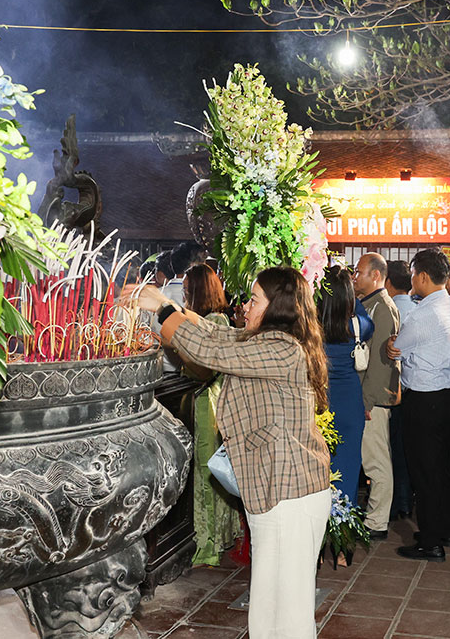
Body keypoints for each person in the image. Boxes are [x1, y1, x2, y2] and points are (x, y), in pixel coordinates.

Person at [131, 267, 330, 638]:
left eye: (254, 301)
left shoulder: (283, 348)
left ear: (278, 307)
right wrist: (176, 308)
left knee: (289, 611)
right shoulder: (265, 340)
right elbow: (218, 334)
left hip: (291, 493)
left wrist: (163, 310)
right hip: (276, 490)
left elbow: (211, 350)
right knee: (267, 604)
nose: (245, 308)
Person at [386, 248, 450, 562]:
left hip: (424, 399)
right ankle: (444, 530)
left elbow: (397, 348)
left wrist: (392, 345)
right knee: (441, 468)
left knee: (424, 472)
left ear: (421, 276)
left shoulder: (421, 314)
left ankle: (431, 542)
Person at [179, 263, 243, 566]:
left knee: (207, 472)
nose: (183, 295)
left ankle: (209, 545)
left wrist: (176, 345)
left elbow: (204, 369)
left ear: (197, 291)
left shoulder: (214, 320)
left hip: (207, 402)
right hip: (205, 400)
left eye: (186, 290)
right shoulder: (209, 318)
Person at [351, 253, 401, 541]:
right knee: (371, 459)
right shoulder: (369, 304)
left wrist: (367, 400)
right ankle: (373, 516)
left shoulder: (382, 307)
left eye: (359, 272)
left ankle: (377, 521)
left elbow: (382, 362)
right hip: (365, 395)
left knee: (376, 462)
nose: (355, 277)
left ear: (376, 275)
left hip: (373, 398)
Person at [318, 265, 373, 508]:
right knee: (348, 466)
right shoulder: (359, 325)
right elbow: (367, 321)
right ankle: (344, 519)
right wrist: (351, 300)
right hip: (350, 401)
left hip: (319, 400)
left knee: (318, 466)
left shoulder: (310, 327)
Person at [384, 259, 416, 520]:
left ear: (387, 282)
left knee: (393, 448)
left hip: (393, 389)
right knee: (406, 449)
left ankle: (398, 500)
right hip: (413, 389)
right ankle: (405, 500)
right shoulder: (416, 309)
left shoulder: (388, 309)